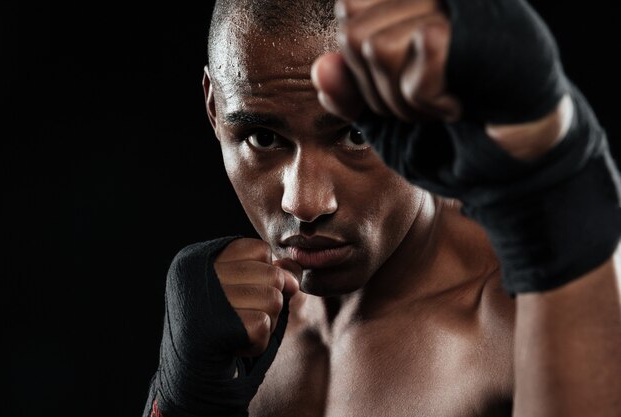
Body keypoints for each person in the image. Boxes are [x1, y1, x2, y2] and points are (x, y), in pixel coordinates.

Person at [143, 0, 621, 416]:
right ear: (213, 107)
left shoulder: (518, 317)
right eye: (263, 138)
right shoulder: (225, 327)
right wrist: (177, 402)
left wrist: (565, 190)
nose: (304, 203)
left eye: (357, 135)